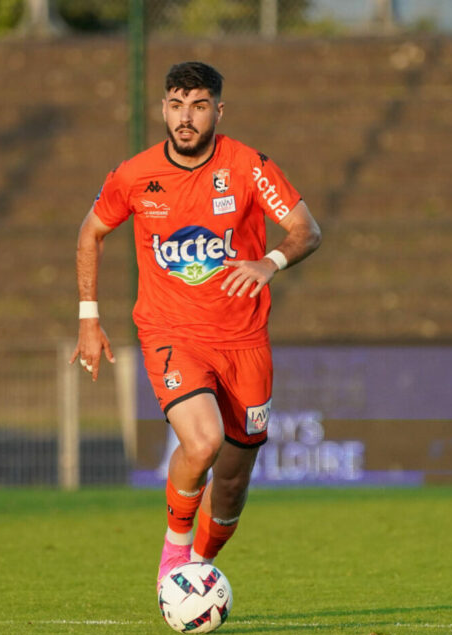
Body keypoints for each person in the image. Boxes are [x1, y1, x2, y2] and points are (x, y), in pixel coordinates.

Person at [71, 62, 322, 584]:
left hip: (245, 341)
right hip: (171, 334)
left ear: (218, 111)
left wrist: (270, 262)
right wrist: (88, 318)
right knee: (203, 441)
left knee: (230, 485)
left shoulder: (248, 166)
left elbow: (306, 229)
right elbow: (90, 232)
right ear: (163, 109)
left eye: (199, 106)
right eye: (177, 105)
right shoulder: (134, 175)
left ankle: (196, 575)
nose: (186, 118)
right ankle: (175, 554)